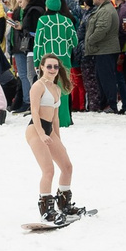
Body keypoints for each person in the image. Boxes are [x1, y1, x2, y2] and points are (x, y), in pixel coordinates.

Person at [25, 57, 81, 224]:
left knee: (67, 167)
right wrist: (41, 133)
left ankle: (64, 205)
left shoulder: (56, 89)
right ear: (41, 67)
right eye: (49, 66)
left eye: (55, 66)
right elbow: (34, 112)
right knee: (48, 170)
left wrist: (58, 139)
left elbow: (55, 118)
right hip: (35, 130)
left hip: (49, 130)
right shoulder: (38, 86)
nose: (52, 69)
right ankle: (46, 210)